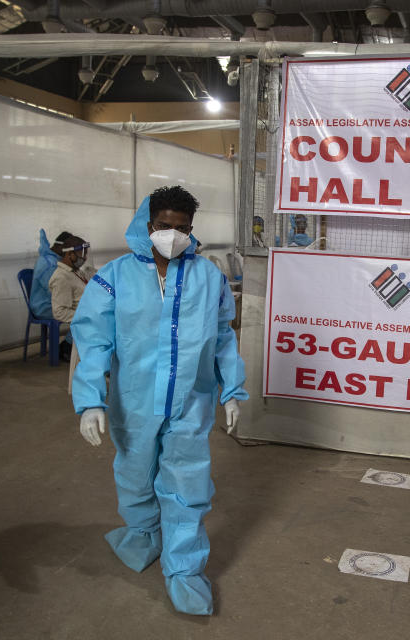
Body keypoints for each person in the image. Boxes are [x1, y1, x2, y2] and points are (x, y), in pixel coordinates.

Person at [71, 186, 247, 616]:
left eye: (182, 228)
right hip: (133, 401)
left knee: (187, 485)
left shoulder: (209, 278)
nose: (172, 234)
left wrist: (233, 389)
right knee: (134, 474)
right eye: (163, 226)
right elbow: (92, 339)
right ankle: (142, 535)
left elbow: (224, 338)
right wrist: (90, 399)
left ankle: (184, 569)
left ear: (192, 229)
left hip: (191, 400)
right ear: (147, 224)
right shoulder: (113, 278)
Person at [31, 230, 71, 319]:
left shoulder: (53, 259)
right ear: (61, 247)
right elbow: (54, 291)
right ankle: (73, 333)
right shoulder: (49, 264)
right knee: (83, 312)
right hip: (44, 308)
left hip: (51, 304)